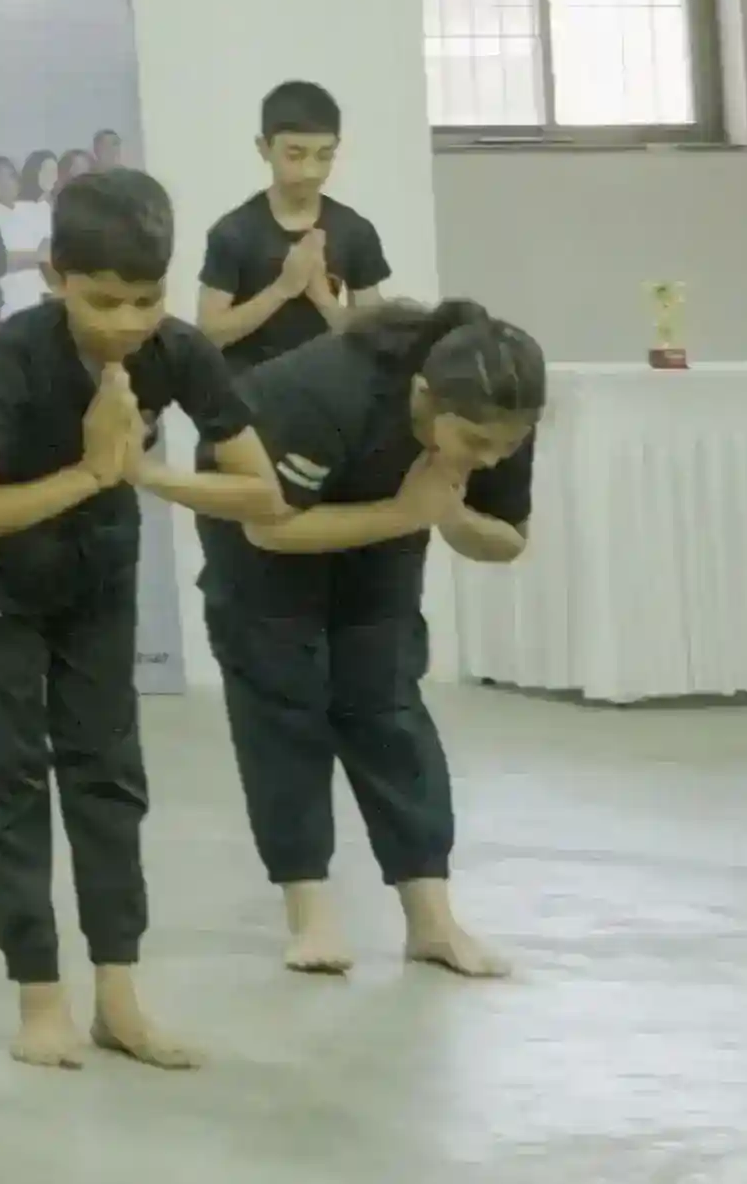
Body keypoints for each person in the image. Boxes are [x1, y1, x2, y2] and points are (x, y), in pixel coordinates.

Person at [0, 167, 290, 1073]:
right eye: (104, 301)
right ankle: (40, 998)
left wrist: (143, 475)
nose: (129, 321)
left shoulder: (179, 351)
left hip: (99, 582)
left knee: (109, 779)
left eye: (147, 299)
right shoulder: (9, 358)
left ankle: (119, 999)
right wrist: (89, 474)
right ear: (53, 275)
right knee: (8, 787)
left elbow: (263, 493)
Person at [217, 296, 543, 983]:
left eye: (505, 447)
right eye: (476, 443)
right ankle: (311, 913)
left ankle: (432, 921)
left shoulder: (500, 414)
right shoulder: (323, 392)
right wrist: (404, 511)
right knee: (287, 697)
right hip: (265, 514)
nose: (490, 460)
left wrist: (446, 512)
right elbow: (269, 528)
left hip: (389, 513)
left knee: (386, 700)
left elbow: (507, 540)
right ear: (424, 396)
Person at [196, 85, 393, 370]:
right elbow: (209, 335)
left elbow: (375, 340)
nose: (310, 171)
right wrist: (283, 288)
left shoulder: (355, 231)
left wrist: (323, 298)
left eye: (324, 156)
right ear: (264, 148)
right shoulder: (233, 233)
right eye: (295, 155)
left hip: (327, 382)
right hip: (250, 387)